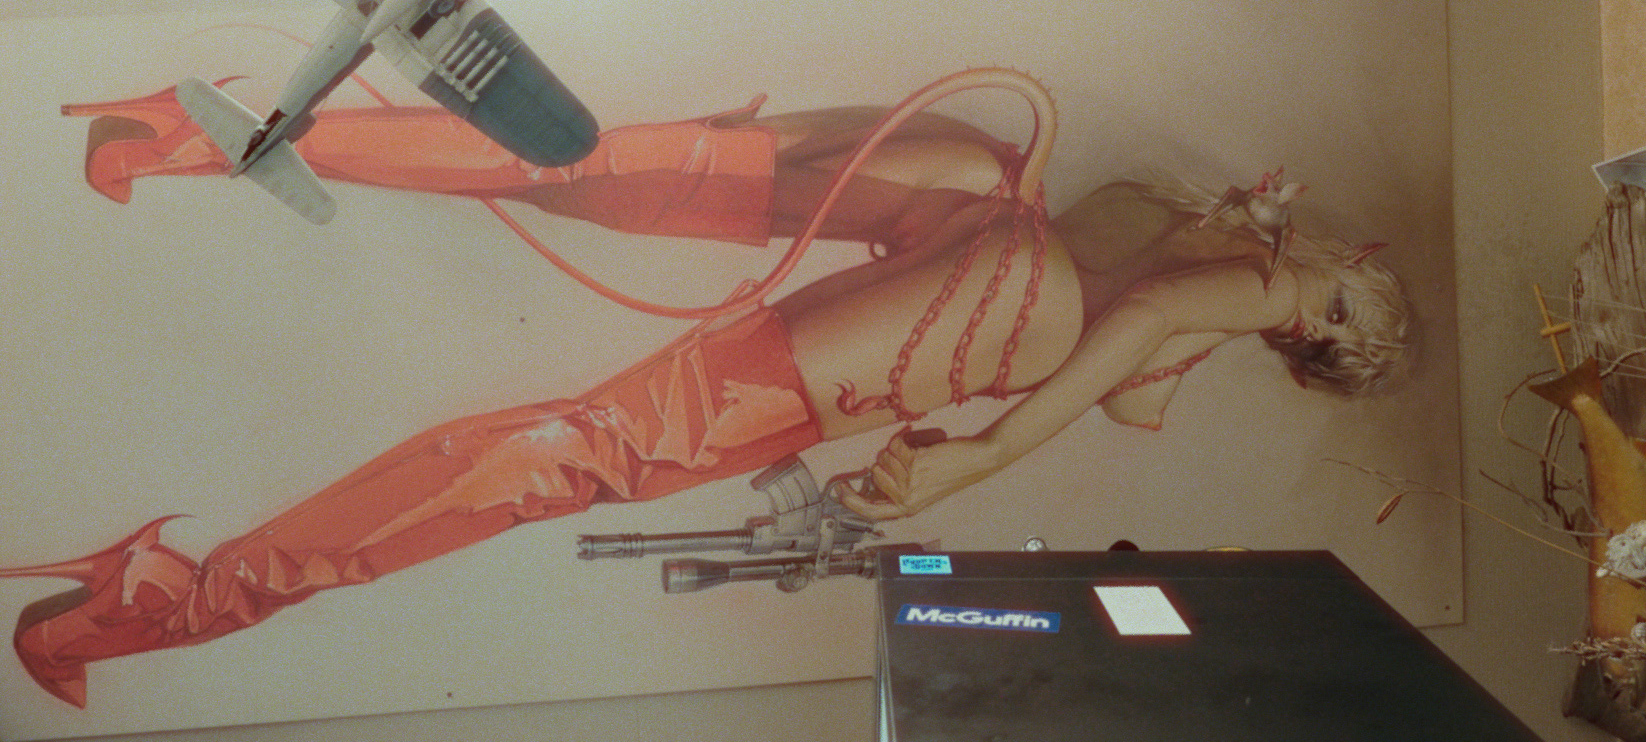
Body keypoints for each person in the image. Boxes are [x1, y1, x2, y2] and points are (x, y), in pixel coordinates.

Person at [7, 69, 1408, 707]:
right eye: (1332, 322)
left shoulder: (1195, 209)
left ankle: (190, 127)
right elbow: (1147, 318)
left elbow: (1136, 340)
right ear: (1342, 302)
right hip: (983, 315)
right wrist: (978, 460)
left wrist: (760, 140)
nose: (1310, 323)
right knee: (584, 452)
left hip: (974, 185)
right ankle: (174, 600)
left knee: (580, 166)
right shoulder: (1262, 282)